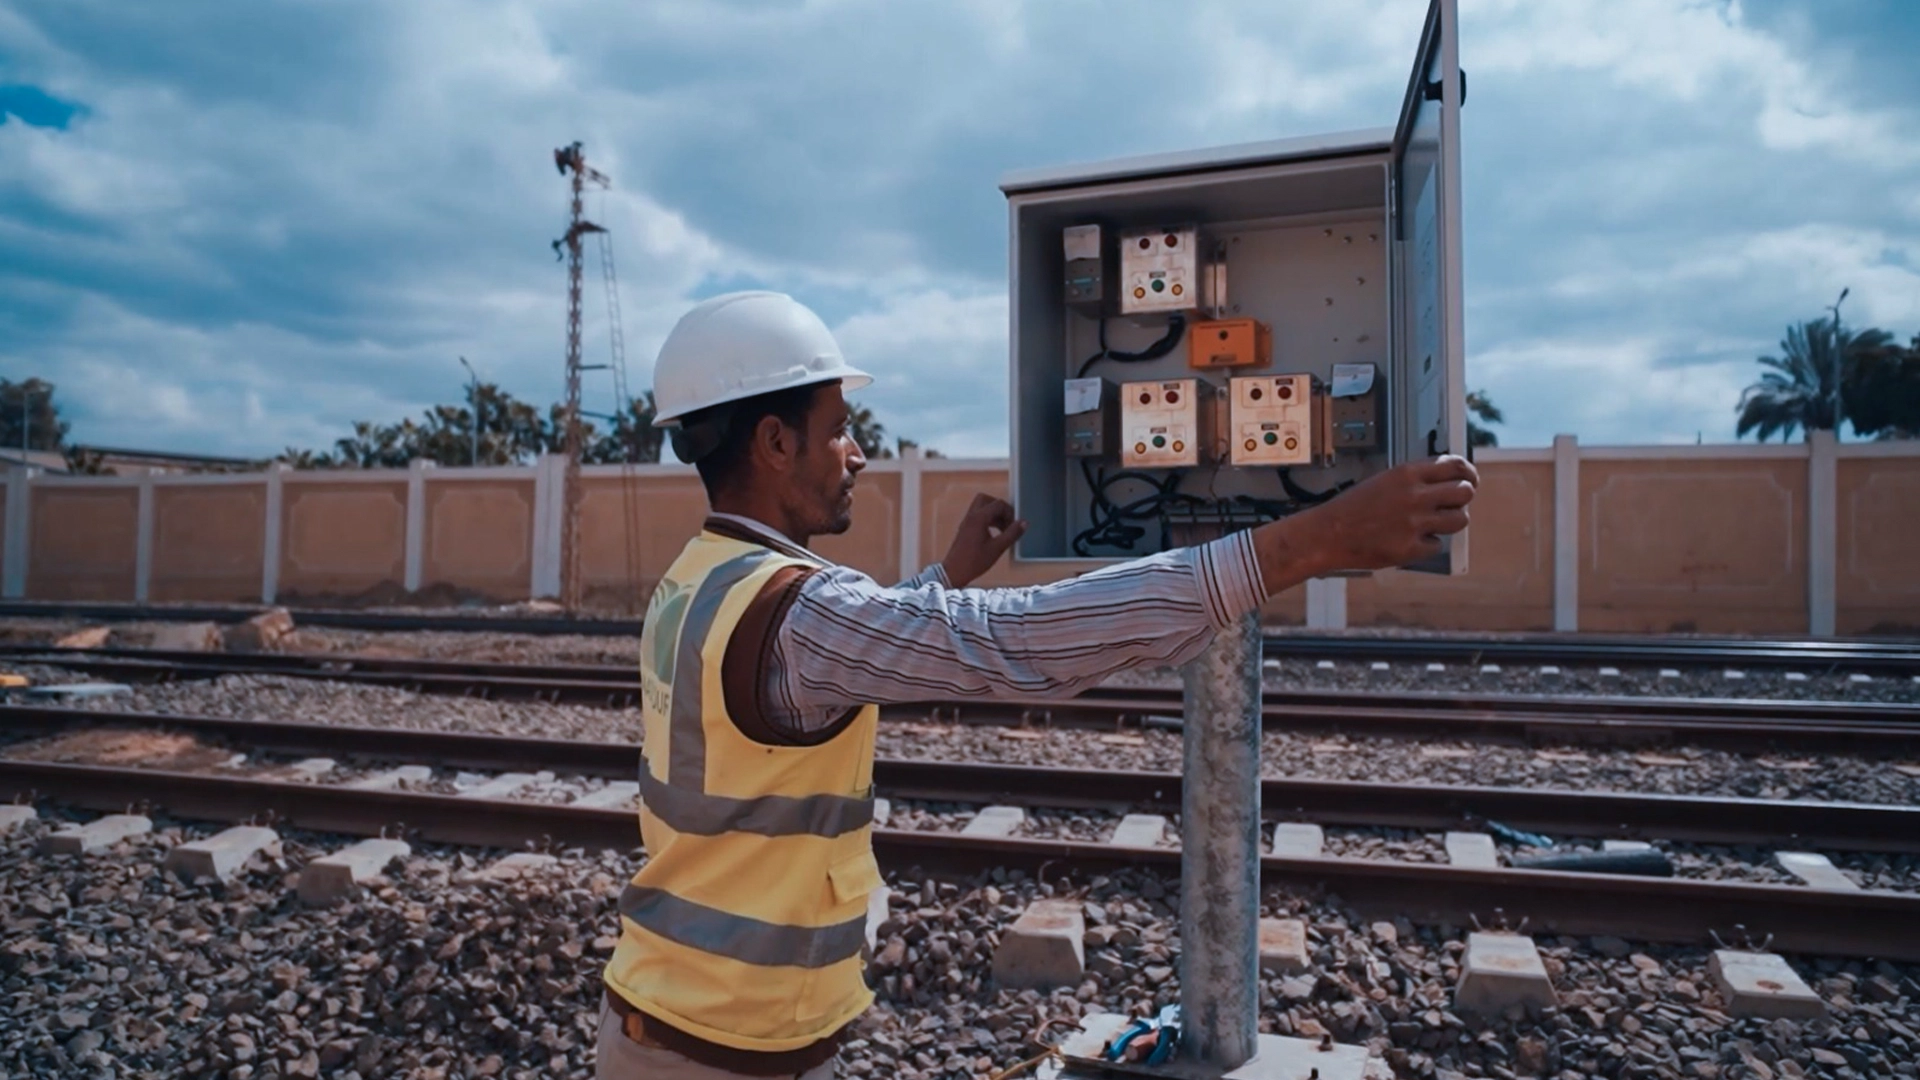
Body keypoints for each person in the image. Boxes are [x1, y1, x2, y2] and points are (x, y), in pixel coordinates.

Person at [596, 291, 1478, 1079]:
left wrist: (946, 575)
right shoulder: (798, 612)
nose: (857, 452)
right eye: (836, 428)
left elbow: (832, 656)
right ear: (776, 443)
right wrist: (1305, 545)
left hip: (679, 1016)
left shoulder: (700, 579)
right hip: (723, 1052)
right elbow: (1011, 643)